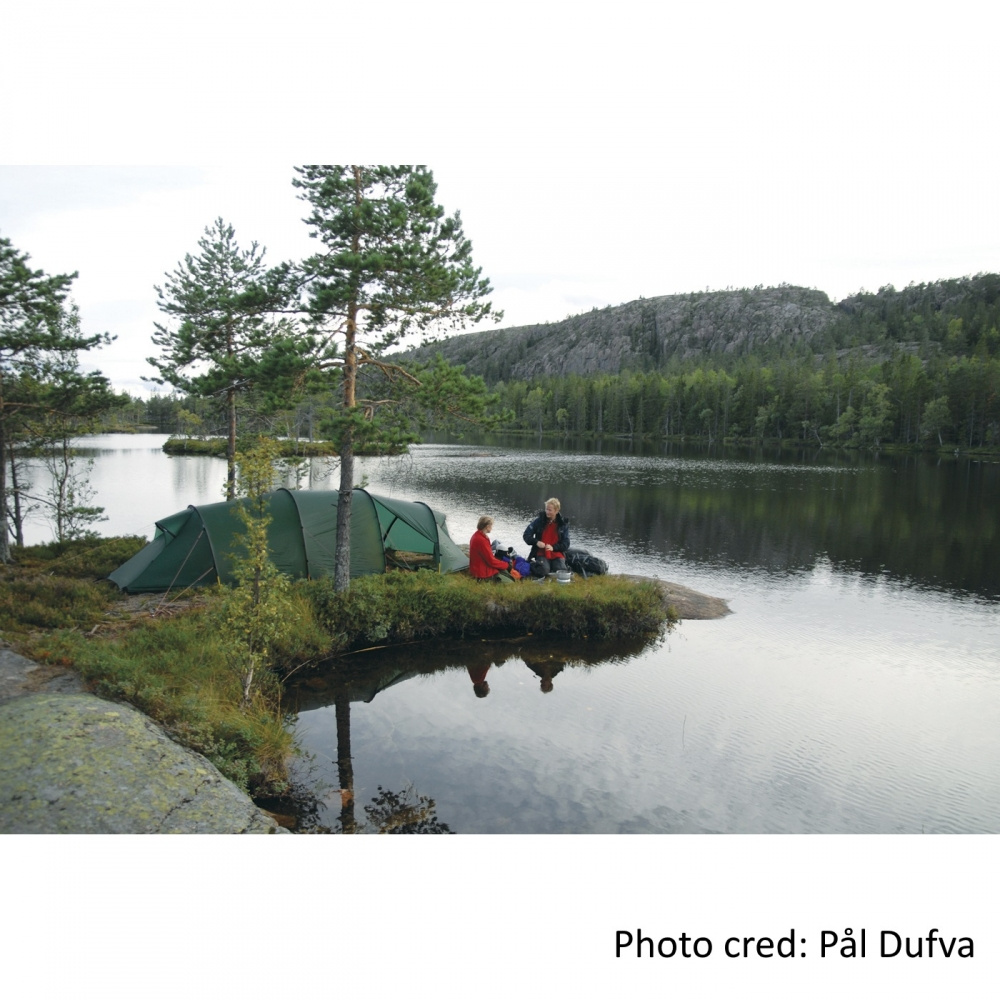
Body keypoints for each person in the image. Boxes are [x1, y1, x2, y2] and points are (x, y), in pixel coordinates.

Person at [522, 497, 570, 577]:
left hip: (557, 553)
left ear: (557, 511)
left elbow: (566, 543)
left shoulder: (563, 524)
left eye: (550, 510)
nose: (547, 512)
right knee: (543, 571)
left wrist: (553, 547)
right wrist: (536, 542)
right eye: (546, 509)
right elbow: (526, 535)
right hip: (541, 552)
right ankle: (533, 564)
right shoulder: (539, 521)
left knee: (561, 571)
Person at [469, 516, 514, 581]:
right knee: (510, 581)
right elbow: (491, 561)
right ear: (487, 526)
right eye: (491, 525)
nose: (492, 528)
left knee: (506, 572)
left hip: (477, 568)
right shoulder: (482, 540)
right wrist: (506, 565)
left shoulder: (477, 535)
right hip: (482, 573)